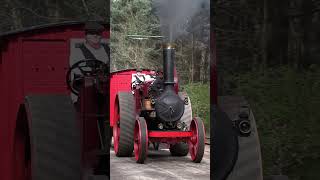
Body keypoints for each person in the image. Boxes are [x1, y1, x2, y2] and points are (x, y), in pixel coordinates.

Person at [69, 21, 110, 102]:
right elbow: (76, 70)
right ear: (86, 36)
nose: (95, 35)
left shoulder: (108, 50)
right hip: (85, 86)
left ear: (101, 35)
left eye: (98, 33)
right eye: (92, 33)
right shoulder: (77, 51)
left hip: (106, 84)